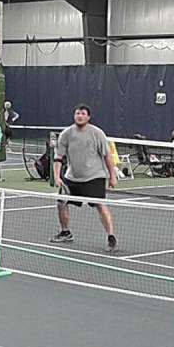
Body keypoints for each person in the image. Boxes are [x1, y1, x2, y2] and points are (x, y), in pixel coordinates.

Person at [50, 104, 117, 252]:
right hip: (72, 177)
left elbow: (107, 156)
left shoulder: (97, 133)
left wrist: (112, 176)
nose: (79, 116)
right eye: (77, 113)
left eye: (82, 114)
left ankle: (111, 237)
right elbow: (58, 157)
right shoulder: (66, 134)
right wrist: (56, 176)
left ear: (88, 117)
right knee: (61, 202)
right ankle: (65, 232)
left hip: (95, 177)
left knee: (100, 205)